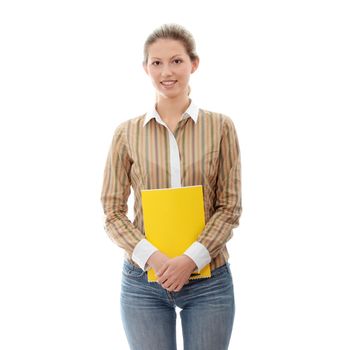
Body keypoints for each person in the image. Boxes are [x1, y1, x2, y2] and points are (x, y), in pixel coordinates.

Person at [100, 23, 242, 350]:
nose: (167, 71)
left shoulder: (221, 127)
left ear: (194, 64)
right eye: (157, 62)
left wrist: (190, 259)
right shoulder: (126, 133)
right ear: (145, 68)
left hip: (209, 280)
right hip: (142, 281)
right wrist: (155, 259)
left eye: (177, 61)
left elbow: (230, 207)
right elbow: (112, 211)